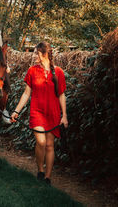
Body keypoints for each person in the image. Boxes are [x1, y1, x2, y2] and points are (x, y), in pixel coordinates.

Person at [10, 42, 68, 185]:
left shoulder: (58, 72)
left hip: (53, 113)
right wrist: (16, 111)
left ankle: (47, 176)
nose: (34, 55)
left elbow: (61, 95)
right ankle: (40, 169)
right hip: (37, 112)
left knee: (49, 145)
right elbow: (26, 93)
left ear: (45, 54)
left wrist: (64, 115)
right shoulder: (32, 70)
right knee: (41, 142)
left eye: (36, 53)